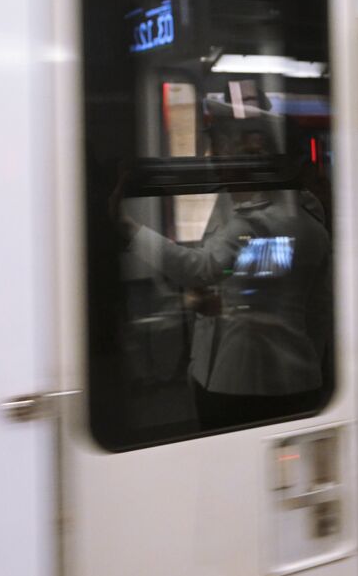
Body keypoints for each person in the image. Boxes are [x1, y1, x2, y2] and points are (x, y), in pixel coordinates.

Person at [122, 109, 332, 431]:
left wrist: (129, 230)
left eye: (242, 153)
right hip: (221, 370)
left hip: (261, 379)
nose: (217, 160)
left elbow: (207, 269)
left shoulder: (282, 224)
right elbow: (242, 278)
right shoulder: (239, 209)